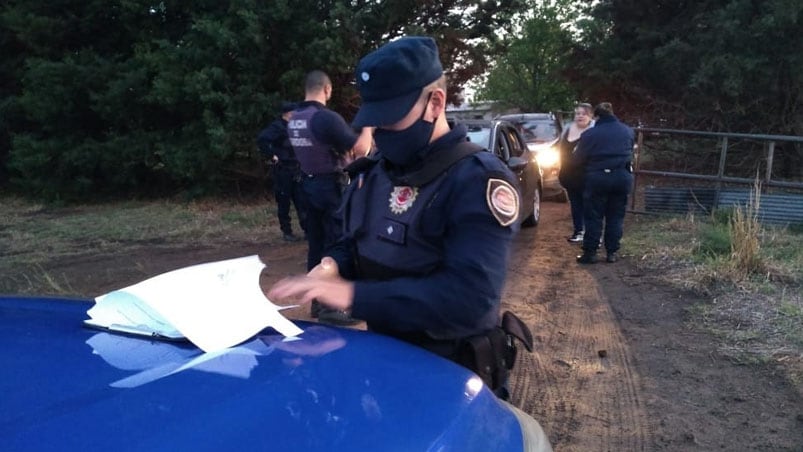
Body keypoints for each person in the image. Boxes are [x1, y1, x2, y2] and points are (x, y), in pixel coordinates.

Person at [269, 36, 534, 399]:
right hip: (386, 358)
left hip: (453, 374)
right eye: (374, 120)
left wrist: (350, 294)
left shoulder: (476, 179)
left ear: (434, 104)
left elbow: (468, 299)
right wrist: (332, 264)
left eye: (390, 119)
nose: (380, 132)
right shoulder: (376, 171)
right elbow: (356, 239)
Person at [287, 70, 373, 325]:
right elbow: (360, 148)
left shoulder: (295, 119)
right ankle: (330, 308)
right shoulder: (324, 118)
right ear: (327, 89)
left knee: (315, 244)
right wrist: (368, 126)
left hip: (306, 186)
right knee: (336, 244)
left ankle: (316, 302)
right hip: (328, 187)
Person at [572, 102, 634, 264]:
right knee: (616, 216)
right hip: (621, 177)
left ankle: (591, 253)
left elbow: (578, 159)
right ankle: (612, 252)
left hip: (597, 178)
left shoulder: (589, 135)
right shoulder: (627, 131)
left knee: (593, 217)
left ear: (597, 117)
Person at [257, 101, 307, 242]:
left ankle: (307, 230)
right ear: (288, 113)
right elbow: (262, 139)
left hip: (296, 168)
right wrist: (271, 155)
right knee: (284, 202)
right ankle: (287, 232)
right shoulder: (277, 127)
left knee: (301, 201)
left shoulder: (295, 126)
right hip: (282, 170)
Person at [558, 103, 594, 243]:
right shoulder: (567, 128)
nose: (580, 116)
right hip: (569, 174)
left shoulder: (593, 130)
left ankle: (591, 233)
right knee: (575, 203)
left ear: (590, 115)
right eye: (577, 113)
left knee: (589, 204)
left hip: (587, 174)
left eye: (583, 113)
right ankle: (578, 230)